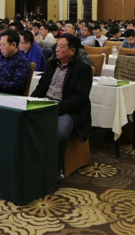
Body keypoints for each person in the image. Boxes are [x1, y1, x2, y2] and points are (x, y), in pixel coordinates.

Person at [31, 33, 92, 180]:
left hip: (70, 111)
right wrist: (30, 101)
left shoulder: (83, 69)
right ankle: (32, 162)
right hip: (47, 103)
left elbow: (79, 98)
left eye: (61, 46)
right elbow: (41, 87)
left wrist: (56, 109)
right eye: (57, 46)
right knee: (25, 121)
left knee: (60, 131)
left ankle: (56, 167)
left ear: (72, 51)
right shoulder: (51, 64)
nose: (56, 49)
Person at [0, 31, 32, 95]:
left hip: (9, 96)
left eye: (3, 45)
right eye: (0, 45)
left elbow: (18, 86)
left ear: (13, 45)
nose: (0, 48)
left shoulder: (22, 62)